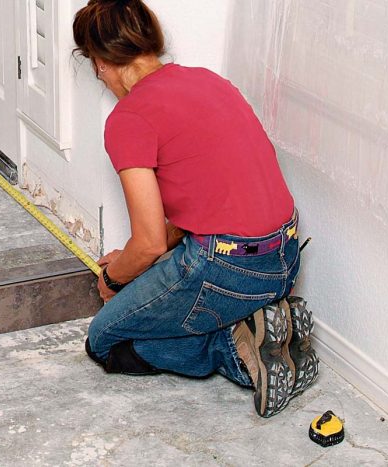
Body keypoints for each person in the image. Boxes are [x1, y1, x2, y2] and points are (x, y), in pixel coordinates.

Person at [73, 0, 319, 417]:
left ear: (99, 61)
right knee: (162, 291)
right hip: (286, 254)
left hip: (227, 267)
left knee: (106, 340)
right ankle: (271, 325)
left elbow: (149, 242)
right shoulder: (210, 82)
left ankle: (240, 352)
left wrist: (115, 279)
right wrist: (139, 263)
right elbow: (197, 210)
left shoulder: (128, 117)